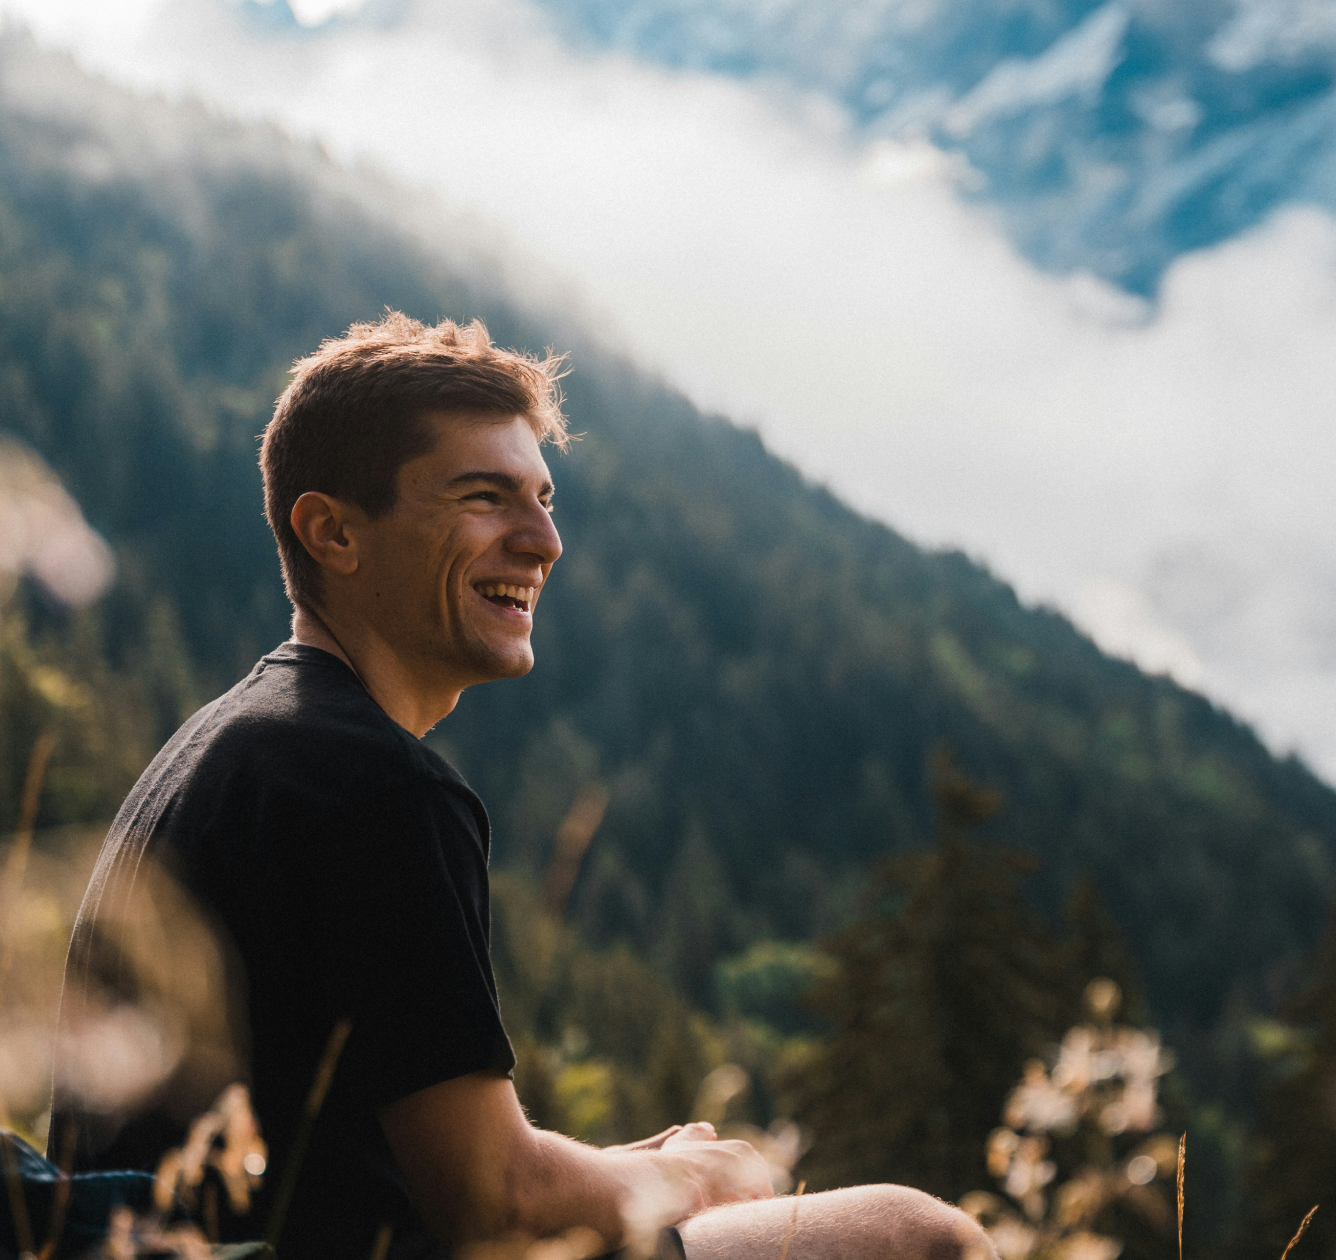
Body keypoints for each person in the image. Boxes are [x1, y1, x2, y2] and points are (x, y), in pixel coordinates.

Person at [52, 312, 994, 1260]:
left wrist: (627, 1171)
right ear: (333, 531)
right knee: (916, 1236)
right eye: (484, 497)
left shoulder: (236, 746)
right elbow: (495, 1208)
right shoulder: (371, 784)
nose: (543, 541)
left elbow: (411, 1164)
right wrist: (687, 1176)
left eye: (543, 499)